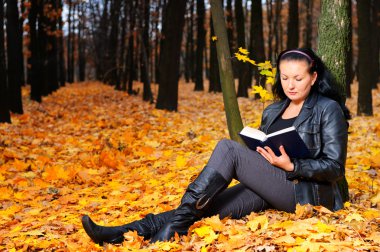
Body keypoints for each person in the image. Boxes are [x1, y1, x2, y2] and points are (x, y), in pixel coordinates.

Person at [81, 48, 350, 245]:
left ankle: (174, 228)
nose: (290, 85)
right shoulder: (273, 111)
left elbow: (335, 168)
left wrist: (293, 165)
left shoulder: (328, 109)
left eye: (298, 78)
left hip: (306, 193)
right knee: (206, 207)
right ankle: (122, 232)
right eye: (284, 78)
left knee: (228, 148)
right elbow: (267, 148)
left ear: (313, 77)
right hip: (272, 184)